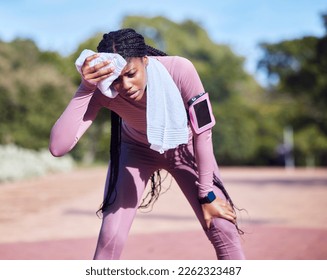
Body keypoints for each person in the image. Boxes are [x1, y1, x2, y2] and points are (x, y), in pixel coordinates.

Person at [49, 28, 245, 260]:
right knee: (111, 235)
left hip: (185, 147)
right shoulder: (102, 89)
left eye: (131, 74)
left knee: (222, 227)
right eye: (116, 79)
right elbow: (58, 147)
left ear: (145, 60)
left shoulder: (180, 69)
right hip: (135, 150)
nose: (125, 86)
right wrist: (85, 88)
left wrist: (207, 195)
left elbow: (204, 133)